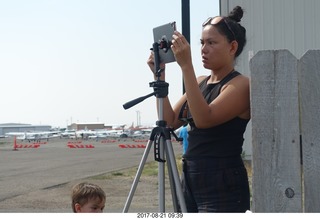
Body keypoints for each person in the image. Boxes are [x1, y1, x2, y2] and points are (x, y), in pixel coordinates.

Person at [147, 6, 250, 213]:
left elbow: (204, 119)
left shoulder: (240, 85)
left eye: (211, 43)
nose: (203, 49)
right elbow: (168, 121)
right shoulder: (201, 82)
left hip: (222, 179)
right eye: (202, 42)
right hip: (190, 177)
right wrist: (159, 75)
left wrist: (186, 66)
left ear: (232, 47)